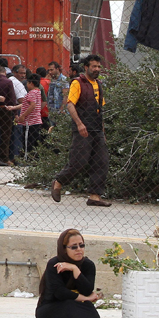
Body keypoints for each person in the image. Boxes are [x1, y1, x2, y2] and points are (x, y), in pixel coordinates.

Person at [36, 229, 110, 318]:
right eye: (74, 247)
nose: (79, 249)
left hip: (74, 310)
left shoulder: (88, 265)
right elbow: (60, 293)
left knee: (86, 304)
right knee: (70, 303)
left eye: (81, 245)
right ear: (64, 249)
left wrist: (75, 269)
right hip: (50, 311)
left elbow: (87, 289)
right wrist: (86, 298)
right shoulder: (54, 264)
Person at [52, 55, 111, 207]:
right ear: (86, 67)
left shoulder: (99, 84)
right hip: (83, 128)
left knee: (101, 161)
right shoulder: (78, 83)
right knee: (79, 161)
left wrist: (102, 132)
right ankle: (58, 181)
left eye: (99, 66)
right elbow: (70, 104)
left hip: (96, 128)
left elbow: (99, 110)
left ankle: (95, 196)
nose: (97, 69)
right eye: (94, 66)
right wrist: (79, 124)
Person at [0, 65, 17, 165]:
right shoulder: (8, 82)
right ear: (5, 73)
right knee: (5, 135)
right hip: (6, 109)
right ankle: (4, 158)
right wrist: (15, 112)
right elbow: (12, 98)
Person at [16, 74, 44, 160]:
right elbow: (26, 104)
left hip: (30, 122)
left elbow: (32, 105)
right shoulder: (38, 92)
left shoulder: (32, 93)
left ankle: (27, 159)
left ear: (31, 83)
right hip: (36, 121)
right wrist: (14, 107)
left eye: (27, 83)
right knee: (35, 141)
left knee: (28, 141)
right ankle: (35, 159)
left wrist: (23, 116)